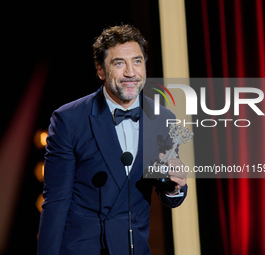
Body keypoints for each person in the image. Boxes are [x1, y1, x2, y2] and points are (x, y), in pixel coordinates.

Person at [37, 24, 188, 255]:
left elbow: (168, 194)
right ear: (100, 70)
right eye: (119, 63)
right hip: (82, 248)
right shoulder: (69, 119)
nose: (131, 72)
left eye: (137, 61)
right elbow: (56, 201)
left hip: (133, 247)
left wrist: (175, 187)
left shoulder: (162, 119)